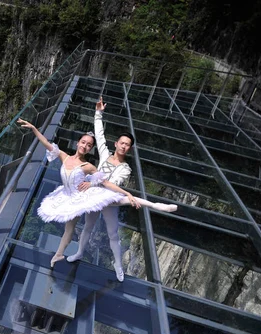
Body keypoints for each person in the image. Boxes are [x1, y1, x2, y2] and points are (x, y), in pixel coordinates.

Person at [65, 97, 177, 282]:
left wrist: (93, 182)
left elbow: (112, 183)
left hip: (109, 199)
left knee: (113, 234)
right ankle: (78, 252)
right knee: (87, 227)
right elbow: (99, 134)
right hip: (93, 197)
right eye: (122, 143)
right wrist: (98, 113)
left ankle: (118, 263)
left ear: (129, 149)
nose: (124, 146)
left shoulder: (126, 168)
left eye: (128, 145)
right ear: (116, 143)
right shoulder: (105, 154)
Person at [17, 118, 140, 275]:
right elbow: (48, 144)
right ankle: (69, 253)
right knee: (78, 228)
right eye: (83, 142)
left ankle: (115, 265)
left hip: (90, 199)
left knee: (100, 232)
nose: (85, 146)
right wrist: (34, 128)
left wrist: (127, 193)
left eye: (89, 145)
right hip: (68, 196)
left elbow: (108, 183)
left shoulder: (94, 167)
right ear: (78, 143)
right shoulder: (65, 156)